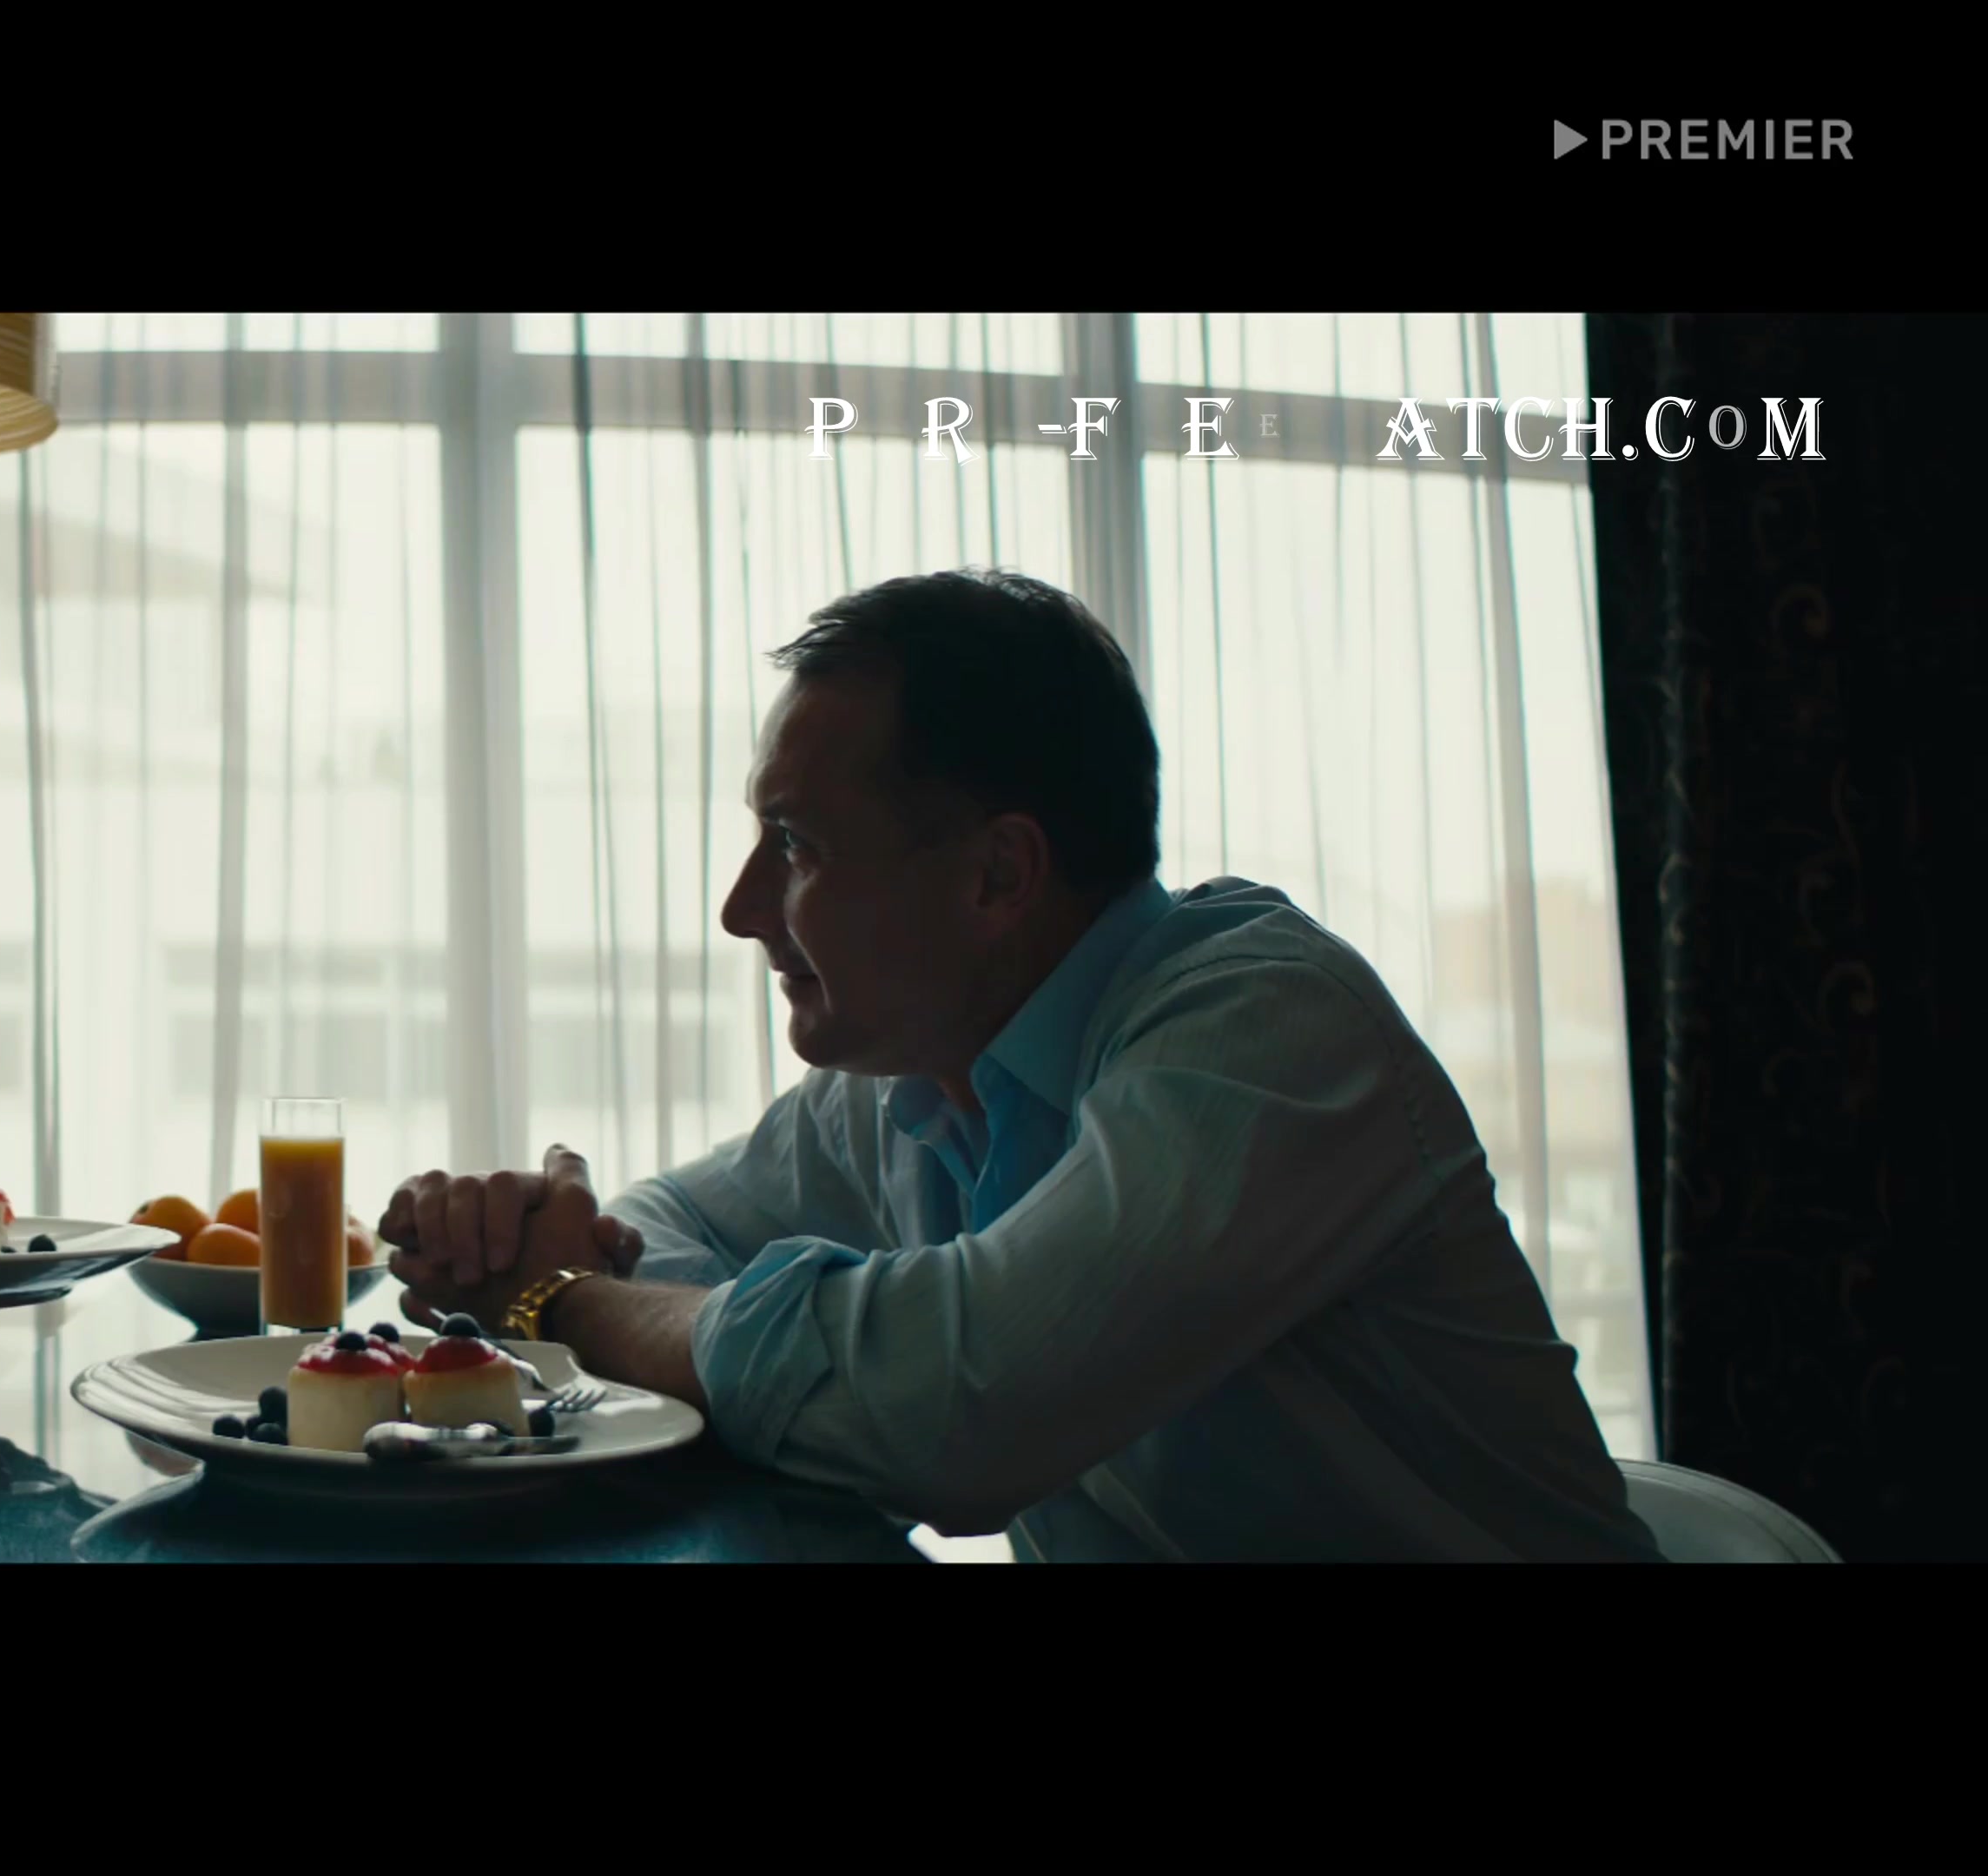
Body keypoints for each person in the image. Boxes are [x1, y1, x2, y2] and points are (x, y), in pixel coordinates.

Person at [382, 569, 1661, 1562]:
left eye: (798, 846)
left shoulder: (1268, 1032)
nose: (739, 909)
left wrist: (559, 1296)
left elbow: (954, 1411)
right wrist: (586, 1262)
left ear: (998, 874)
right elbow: (670, 1222)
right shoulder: (903, 1087)